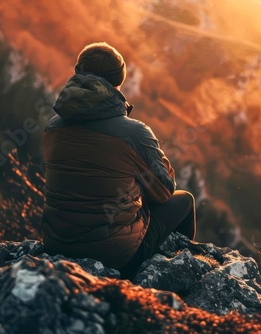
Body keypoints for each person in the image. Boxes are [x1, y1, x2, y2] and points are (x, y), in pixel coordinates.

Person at [41, 42, 196, 278]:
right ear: (119, 81)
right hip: (115, 256)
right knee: (184, 201)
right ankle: (181, 274)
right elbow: (164, 192)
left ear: (77, 72)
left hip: (56, 246)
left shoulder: (53, 127)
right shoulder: (134, 133)